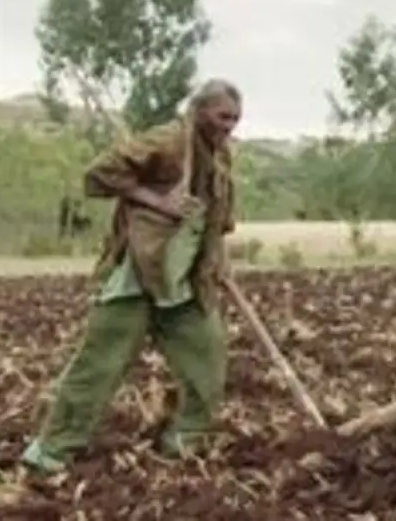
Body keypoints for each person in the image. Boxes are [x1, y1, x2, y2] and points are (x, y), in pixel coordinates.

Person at [21, 79, 242, 473]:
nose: (229, 126)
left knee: (208, 361)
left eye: (235, 119)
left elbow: (217, 222)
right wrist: (160, 202)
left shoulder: (221, 159)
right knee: (98, 366)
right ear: (198, 110)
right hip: (138, 275)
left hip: (184, 284)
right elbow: (99, 174)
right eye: (223, 116)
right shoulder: (168, 142)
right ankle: (50, 454)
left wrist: (219, 260)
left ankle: (184, 443)